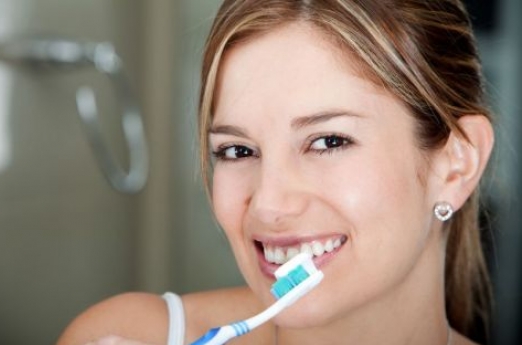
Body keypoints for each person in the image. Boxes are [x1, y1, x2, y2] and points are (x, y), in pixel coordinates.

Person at [56, 0, 495, 344]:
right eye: (237, 150)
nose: (268, 204)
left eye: (328, 141)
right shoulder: (127, 334)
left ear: (457, 164)